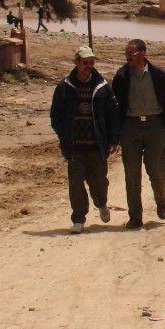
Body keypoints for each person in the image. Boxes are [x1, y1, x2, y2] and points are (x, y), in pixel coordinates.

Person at [112, 39, 165, 229]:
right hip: (130, 127)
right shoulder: (121, 76)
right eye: (126, 53)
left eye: (132, 53)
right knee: (132, 175)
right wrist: (116, 133)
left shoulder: (158, 75)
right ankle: (135, 216)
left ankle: (161, 201)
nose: (128, 56)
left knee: (157, 171)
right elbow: (114, 107)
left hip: (155, 127)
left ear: (143, 53)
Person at [50, 46, 120, 234]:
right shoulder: (65, 86)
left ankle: (101, 203)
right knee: (76, 182)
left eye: (91, 63)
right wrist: (63, 134)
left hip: (97, 144)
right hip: (75, 145)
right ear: (76, 63)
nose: (88, 66)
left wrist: (114, 139)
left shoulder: (103, 86)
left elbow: (113, 114)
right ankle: (78, 218)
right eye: (85, 63)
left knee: (99, 181)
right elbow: (55, 114)